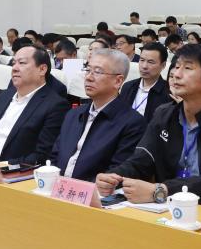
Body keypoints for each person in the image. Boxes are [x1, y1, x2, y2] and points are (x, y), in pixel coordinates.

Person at [96, 43, 201, 210]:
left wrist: (161, 190)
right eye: (176, 66)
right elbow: (142, 160)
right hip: (168, 207)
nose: (176, 74)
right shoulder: (164, 114)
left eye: (187, 68)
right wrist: (113, 176)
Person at [51, 49, 145, 182]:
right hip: (56, 187)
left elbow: (116, 173)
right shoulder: (73, 114)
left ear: (118, 81)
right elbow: (55, 157)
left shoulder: (132, 123)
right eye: (88, 70)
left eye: (97, 72)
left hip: (93, 191)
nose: (88, 77)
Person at [0, 46, 69, 164]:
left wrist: (4, 167)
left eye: (22, 63)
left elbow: (42, 155)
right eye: (13, 63)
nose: (14, 68)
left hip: (10, 171)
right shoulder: (3, 95)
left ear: (42, 69)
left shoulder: (55, 105)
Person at [119, 42, 170, 122]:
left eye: (150, 62)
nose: (144, 66)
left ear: (163, 65)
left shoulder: (169, 91)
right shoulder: (128, 86)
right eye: (142, 60)